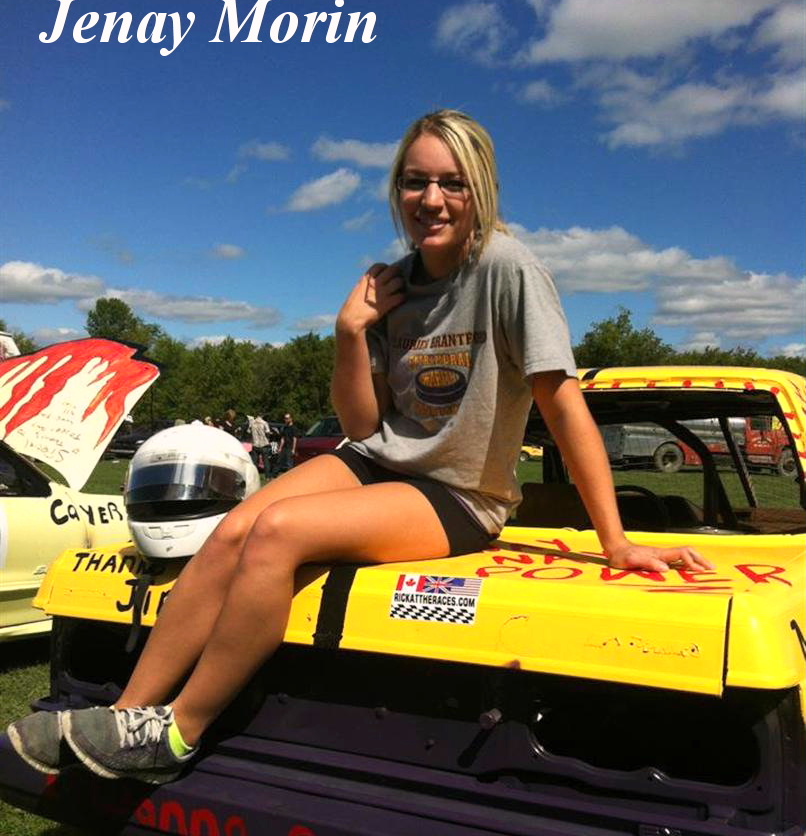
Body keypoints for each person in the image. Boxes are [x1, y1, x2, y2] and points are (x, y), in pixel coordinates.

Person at [7, 109, 711, 785]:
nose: (431, 199)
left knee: (277, 532)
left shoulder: (508, 269)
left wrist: (615, 540)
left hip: (459, 494)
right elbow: (364, 421)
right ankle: (125, 717)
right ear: (396, 190)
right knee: (233, 531)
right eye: (415, 181)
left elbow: (562, 404)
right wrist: (350, 332)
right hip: (376, 460)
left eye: (452, 183)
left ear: (482, 188)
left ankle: (176, 733)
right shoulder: (392, 285)